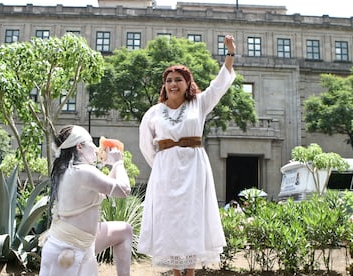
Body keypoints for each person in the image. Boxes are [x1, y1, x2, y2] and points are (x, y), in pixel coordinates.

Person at [138, 34, 236, 276]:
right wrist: (161, 164)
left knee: (191, 216)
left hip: (193, 169)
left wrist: (230, 54)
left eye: (178, 80)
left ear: (187, 83)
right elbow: (145, 145)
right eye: (169, 80)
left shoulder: (199, 104)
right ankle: (175, 272)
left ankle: (190, 271)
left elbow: (219, 85)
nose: (173, 84)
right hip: (166, 172)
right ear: (164, 85)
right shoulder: (154, 112)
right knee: (169, 218)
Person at [39, 125, 132, 276]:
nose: (96, 148)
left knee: (124, 230)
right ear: (80, 146)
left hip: (78, 241)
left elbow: (106, 186)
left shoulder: (68, 170)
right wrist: (118, 162)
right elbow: (124, 189)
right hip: (68, 248)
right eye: (91, 142)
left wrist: (112, 166)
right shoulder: (83, 171)